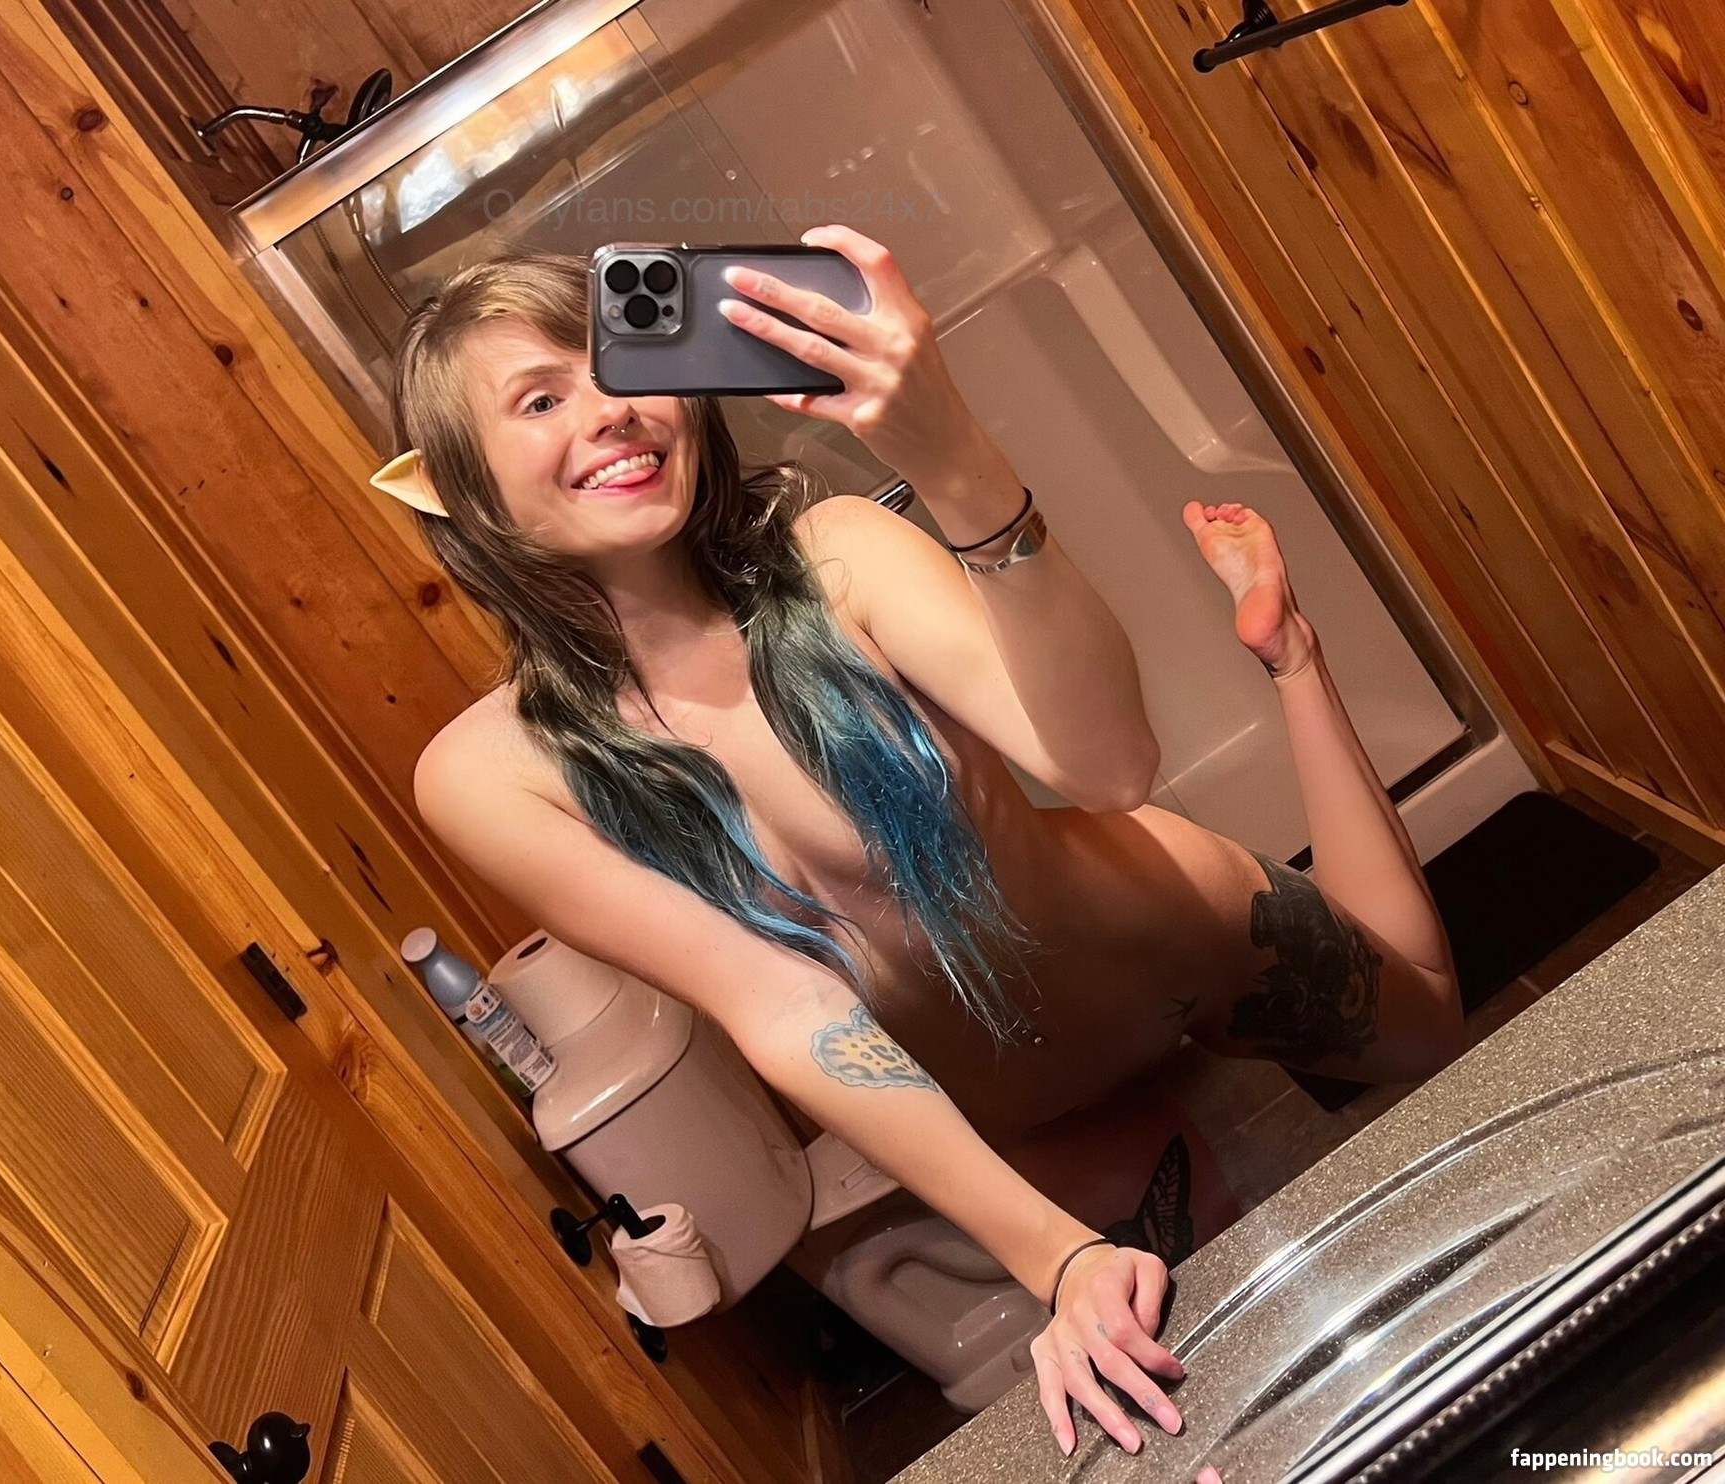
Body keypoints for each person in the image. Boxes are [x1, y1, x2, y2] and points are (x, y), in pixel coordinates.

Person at [377, 223, 1464, 1462]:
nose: (612, 410)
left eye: (625, 364)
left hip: (1173, 932)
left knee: (1434, 1025)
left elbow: (1110, 769)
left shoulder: (839, 555)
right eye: (541, 397)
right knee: (1238, 1410)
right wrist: (1055, 1258)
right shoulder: (495, 774)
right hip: (1028, 1111)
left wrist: (949, 450)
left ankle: (1292, 655)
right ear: (460, 489)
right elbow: (781, 1004)